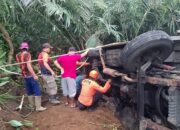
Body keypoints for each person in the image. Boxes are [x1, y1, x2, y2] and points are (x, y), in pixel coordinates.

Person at [16, 42, 46, 111]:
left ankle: (31, 105)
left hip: (24, 75)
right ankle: (38, 107)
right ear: (27, 48)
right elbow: (28, 65)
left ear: (21, 48)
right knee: (36, 89)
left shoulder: (17, 55)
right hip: (30, 75)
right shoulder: (27, 54)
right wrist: (34, 75)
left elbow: (20, 65)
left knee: (29, 90)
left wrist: (23, 73)